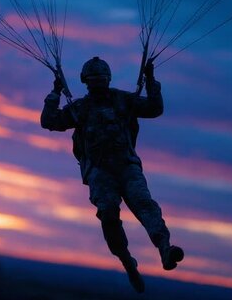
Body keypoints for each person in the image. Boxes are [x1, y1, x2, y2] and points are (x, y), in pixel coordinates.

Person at [40, 56, 184, 293]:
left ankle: (165, 249)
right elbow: (49, 121)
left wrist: (151, 80)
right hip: (100, 171)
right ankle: (128, 260)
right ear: (87, 82)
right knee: (110, 215)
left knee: (143, 205)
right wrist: (55, 93)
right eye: (94, 81)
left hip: (126, 167)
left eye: (100, 80)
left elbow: (154, 108)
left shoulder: (122, 100)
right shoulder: (81, 108)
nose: (98, 85)